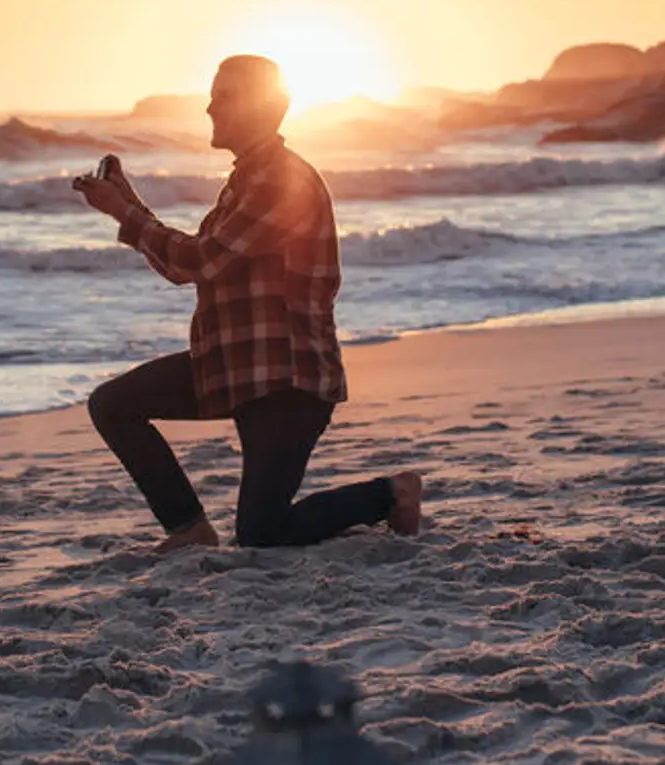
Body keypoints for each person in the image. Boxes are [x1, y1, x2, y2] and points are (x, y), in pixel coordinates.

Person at [73, 55, 425, 552]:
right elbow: (186, 265)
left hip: (287, 381)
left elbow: (199, 261)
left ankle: (391, 493)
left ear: (266, 108)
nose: (211, 107)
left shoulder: (280, 180)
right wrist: (129, 208)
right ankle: (188, 527)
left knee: (262, 534)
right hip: (233, 368)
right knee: (113, 405)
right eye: (213, 95)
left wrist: (126, 213)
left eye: (225, 96)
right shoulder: (247, 178)